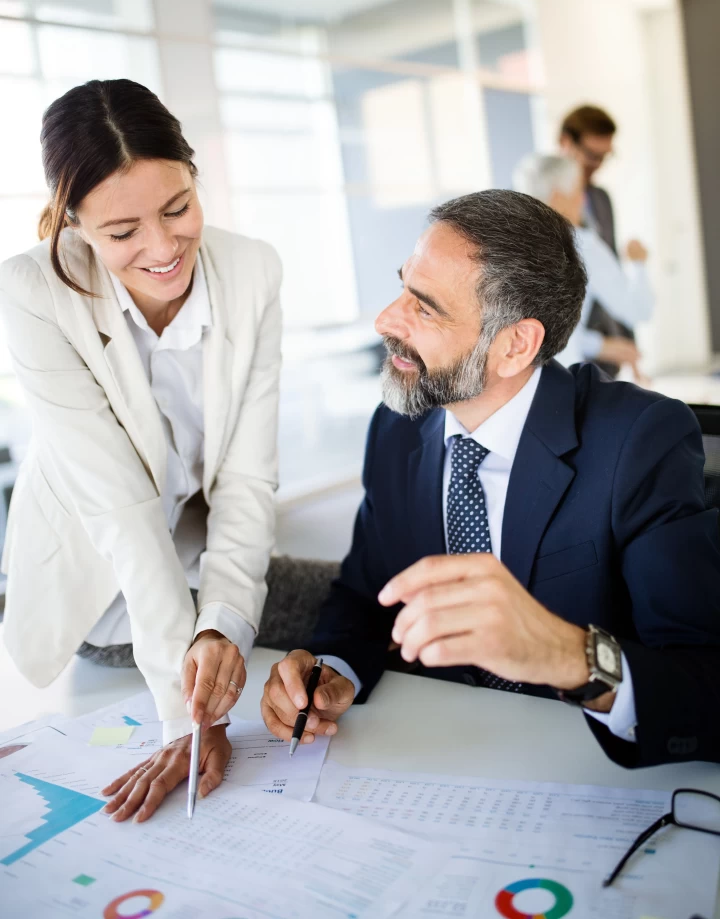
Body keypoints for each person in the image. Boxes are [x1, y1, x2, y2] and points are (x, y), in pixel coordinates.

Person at [260, 190, 720, 770]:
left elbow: (705, 680)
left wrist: (571, 656)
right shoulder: (399, 427)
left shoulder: (637, 441)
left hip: (584, 771)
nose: (385, 321)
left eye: (424, 307)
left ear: (514, 346)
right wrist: (331, 669)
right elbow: (364, 594)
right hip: (436, 755)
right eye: (403, 286)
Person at [0, 79, 282, 821]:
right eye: (122, 232)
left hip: (190, 568)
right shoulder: (31, 292)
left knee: (337, 600)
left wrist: (220, 623)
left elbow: (247, 479)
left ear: (195, 175)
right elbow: (121, 511)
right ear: (75, 224)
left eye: (177, 208)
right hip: (107, 604)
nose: (162, 248)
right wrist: (187, 719)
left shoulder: (252, 271)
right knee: (335, 606)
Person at [512, 153, 653, 373]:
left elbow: (534, 329)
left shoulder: (508, 245)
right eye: (579, 191)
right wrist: (638, 264)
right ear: (558, 197)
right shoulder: (581, 245)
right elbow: (638, 310)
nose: (583, 200)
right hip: (559, 378)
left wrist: (602, 346)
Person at [559, 105, 646, 378]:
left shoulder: (601, 199)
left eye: (604, 156)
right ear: (565, 142)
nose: (596, 165)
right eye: (591, 155)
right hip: (564, 350)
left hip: (608, 348)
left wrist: (626, 343)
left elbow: (612, 276)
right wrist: (598, 346)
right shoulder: (538, 199)